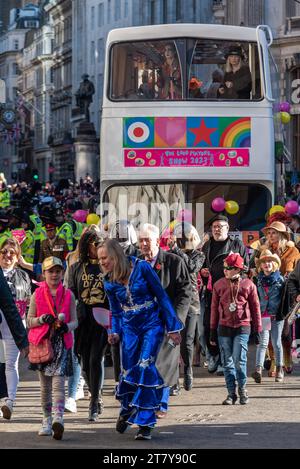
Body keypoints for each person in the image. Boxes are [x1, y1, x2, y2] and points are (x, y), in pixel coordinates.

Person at [98, 239, 183, 441]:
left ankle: (145, 423)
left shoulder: (141, 267)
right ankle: (127, 409)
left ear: (115, 256)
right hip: (129, 327)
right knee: (129, 371)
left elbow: (161, 296)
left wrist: (173, 326)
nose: (101, 262)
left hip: (151, 323)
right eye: (99, 259)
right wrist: (114, 331)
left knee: (145, 366)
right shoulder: (108, 280)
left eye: (104, 258)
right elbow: (116, 311)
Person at [138, 223, 191, 417]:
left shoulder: (174, 262)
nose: (144, 244)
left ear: (156, 241)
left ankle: (161, 403)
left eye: (148, 240)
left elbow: (185, 293)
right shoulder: (135, 263)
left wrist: (176, 321)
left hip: (168, 322)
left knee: (165, 363)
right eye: (141, 240)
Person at [27, 256, 77, 440]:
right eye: (51, 271)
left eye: (58, 271)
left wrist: (67, 327)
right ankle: (46, 420)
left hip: (61, 345)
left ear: (63, 273)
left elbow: (75, 321)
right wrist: (41, 320)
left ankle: (58, 419)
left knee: (58, 384)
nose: (54, 274)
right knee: (44, 387)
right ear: (44, 274)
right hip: (42, 344)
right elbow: (29, 321)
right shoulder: (37, 294)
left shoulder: (69, 294)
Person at [66, 228, 108, 421]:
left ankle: (94, 401)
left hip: (102, 319)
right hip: (82, 320)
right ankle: (94, 392)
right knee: (83, 361)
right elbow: (71, 294)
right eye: (95, 244)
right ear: (86, 246)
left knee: (95, 359)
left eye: (100, 244)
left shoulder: (107, 266)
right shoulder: (76, 268)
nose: (98, 248)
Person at [210, 253, 262, 405]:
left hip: (242, 326)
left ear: (238, 269)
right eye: (224, 267)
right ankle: (231, 393)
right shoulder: (218, 284)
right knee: (227, 362)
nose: (225, 270)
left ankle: (243, 390)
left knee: (239, 360)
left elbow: (256, 308)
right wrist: (212, 330)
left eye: (229, 268)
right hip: (223, 327)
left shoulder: (248, 285)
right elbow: (214, 309)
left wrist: (257, 330)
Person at [201, 214, 248, 375]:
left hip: (231, 293)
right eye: (214, 227)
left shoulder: (237, 244)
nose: (217, 229)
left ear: (227, 229)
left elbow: (246, 268)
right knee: (208, 327)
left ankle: (223, 361)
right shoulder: (206, 246)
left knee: (226, 329)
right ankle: (214, 355)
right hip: (211, 293)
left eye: (220, 227)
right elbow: (201, 266)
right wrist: (203, 272)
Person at [253, 221, 300, 375]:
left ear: (281, 234)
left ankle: (286, 358)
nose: (270, 236)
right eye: (268, 233)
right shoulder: (264, 250)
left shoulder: (293, 251)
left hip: (287, 293)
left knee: (285, 331)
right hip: (268, 295)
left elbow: (294, 273)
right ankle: (273, 361)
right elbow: (256, 268)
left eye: (273, 233)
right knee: (267, 333)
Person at [170, 222, 205, 390]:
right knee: (174, 340)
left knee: (188, 341)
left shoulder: (198, 256)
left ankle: (188, 370)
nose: (182, 240)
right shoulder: (170, 254)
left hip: (192, 303)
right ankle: (174, 378)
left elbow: (191, 267)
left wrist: (177, 251)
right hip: (173, 302)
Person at [0, 238, 31, 420]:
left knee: (11, 364)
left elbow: (27, 304)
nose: (7, 255)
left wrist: (25, 332)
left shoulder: (23, 276)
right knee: (0, 363)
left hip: (15, 323)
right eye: (4, 251)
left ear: (18, 256)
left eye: (12, 252)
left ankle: (10, 401)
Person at [251, 250, 285, 384]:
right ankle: (258, 370)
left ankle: (279, 369)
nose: (267, 264)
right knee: (262, 343)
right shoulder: (257, 280)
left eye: (270, 261)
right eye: (264, 262)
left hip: (276, 316)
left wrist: (285, 314)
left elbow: (285, 298)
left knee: (276, 343)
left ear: (275, 264)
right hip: (263, 315)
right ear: (261, 266)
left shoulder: (280, 280)